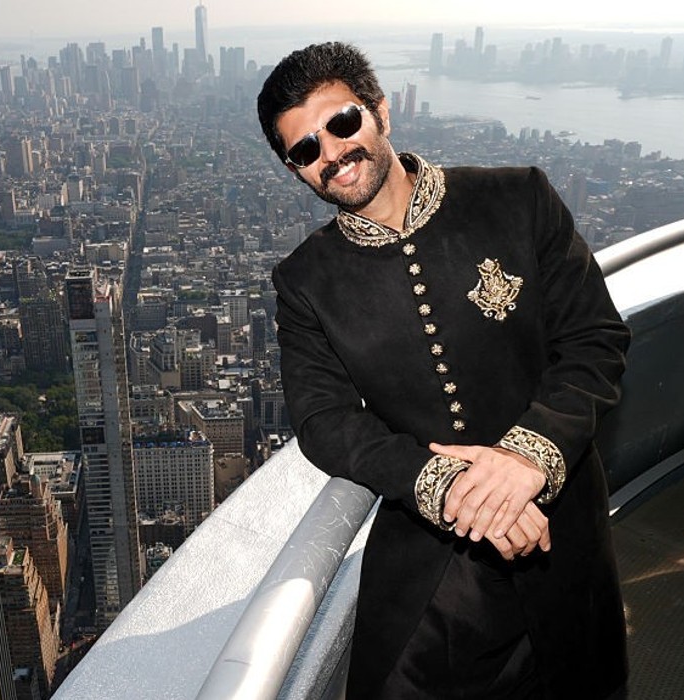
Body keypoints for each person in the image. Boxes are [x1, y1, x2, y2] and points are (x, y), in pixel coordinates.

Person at [258, 42, 630, 699]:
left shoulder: (516, 198)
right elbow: (325, 423)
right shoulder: (305, 283)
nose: (331, 154)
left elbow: (593, 338)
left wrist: (525, 460)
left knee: (579, 680)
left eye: (342, 124)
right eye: (305, 150)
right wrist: (452, 488)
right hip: (435, 552)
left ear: (380, 112)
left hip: (560, 518)